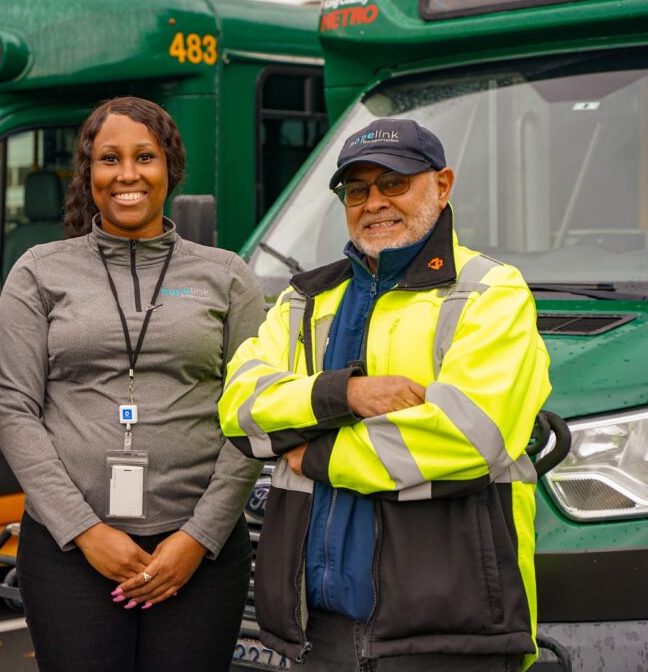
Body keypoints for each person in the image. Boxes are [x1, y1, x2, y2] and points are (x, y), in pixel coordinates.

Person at [219, 118, 551, 672]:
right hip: (318, 624)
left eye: (394, 183)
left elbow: (468, 439)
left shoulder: (491, 293)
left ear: (442, 186)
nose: (373, 202)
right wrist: (344, 394)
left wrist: (314, 453)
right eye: (357, 189)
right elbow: (239, 408)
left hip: (447, 624)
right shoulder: (305, 299)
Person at [0, 96, 265, 672]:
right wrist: (86, 530)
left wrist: (198, 538)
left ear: (170, 168)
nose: (128, 174)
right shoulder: (40, 271)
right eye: (109, 159)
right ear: (89, 173)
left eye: (145, 156)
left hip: (198, 556)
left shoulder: (227, 275)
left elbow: (252, 413)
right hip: (69, 552)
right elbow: (15, 408)